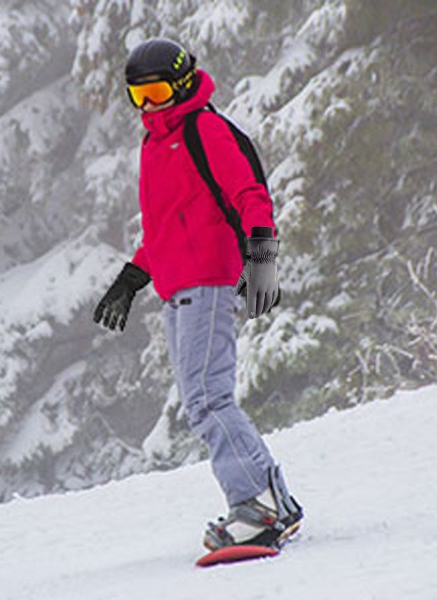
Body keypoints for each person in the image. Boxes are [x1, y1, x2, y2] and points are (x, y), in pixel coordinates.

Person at [93, 38, 303, 550]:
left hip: (208, 283)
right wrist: (132, 277)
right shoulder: (154, 145)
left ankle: (256, 505)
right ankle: (275, 500)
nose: (149, 105)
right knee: (202, 400)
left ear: (183, 83)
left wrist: (261, 259)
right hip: (179, 290)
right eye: (137, 96)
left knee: (208, 400)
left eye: (158, 91)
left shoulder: (202, 129)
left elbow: (250, 195)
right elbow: (167, 231)